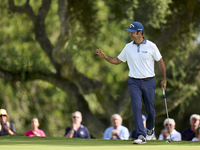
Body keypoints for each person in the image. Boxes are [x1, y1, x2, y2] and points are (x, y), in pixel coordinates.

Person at [95, 21, 166, 144]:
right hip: (134, 82)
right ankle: (141, 136)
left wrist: (164, 79)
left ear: (140, 32)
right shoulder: (128, 47)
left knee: (150, 110)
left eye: (132, 32)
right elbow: (118, 60)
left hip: (149, 81)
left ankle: (150, 129)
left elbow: (160, 62)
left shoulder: (151, 46)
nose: (130, 34)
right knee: (136, 108)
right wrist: (105, 57)